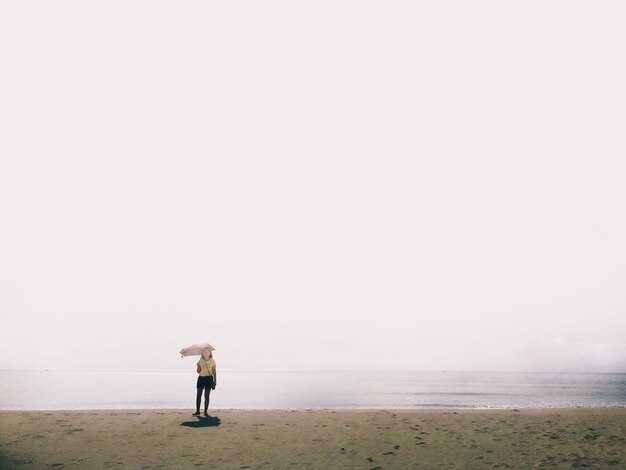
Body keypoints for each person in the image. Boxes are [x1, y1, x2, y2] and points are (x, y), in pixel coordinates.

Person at [193, 348, 217, 416]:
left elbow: (214, 372)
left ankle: (205, 411)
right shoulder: (200, 361)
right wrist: (198, 366)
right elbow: (198, 371)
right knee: (198, 395)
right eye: (204, 352)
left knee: (206, 396)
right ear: (202, 354)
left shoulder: (212, 361)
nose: (206, 353)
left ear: (210, 353)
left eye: (207, 352)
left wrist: (215, 380)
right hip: (201, 378)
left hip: (209, 379)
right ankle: (197, 411)